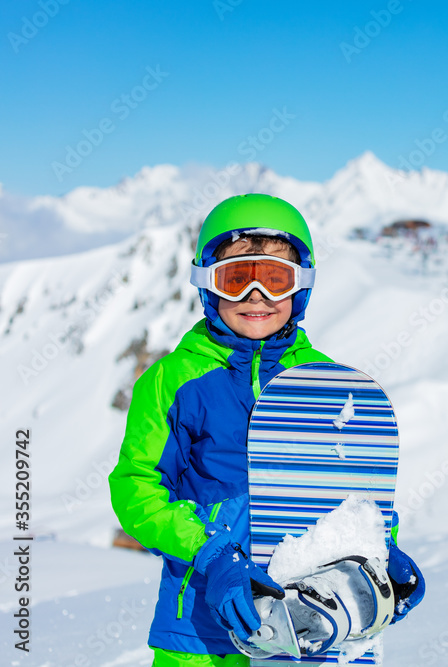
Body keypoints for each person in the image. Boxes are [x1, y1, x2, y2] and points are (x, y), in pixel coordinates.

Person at [108, 194, 425, 667]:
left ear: (301, 288)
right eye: (236, 279)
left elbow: (351, 490)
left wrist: (381, 548)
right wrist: (211, 554)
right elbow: (137, 490)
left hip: (308, 623)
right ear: (207, 285)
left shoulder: (325, 383)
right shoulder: (174, 381)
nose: (255, 296)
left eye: (275, 279)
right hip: (201, 632)